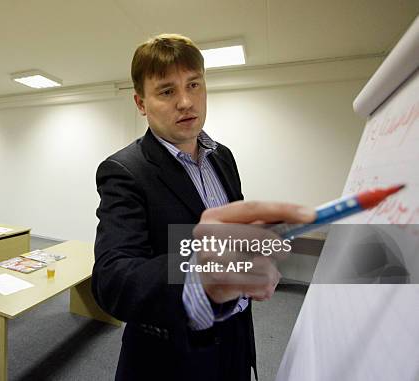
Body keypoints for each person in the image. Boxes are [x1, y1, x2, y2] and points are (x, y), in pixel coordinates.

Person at [92, 34, 315, 380]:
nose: (185, 101)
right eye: (167, 91)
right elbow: (113, 279)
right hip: (171, 359)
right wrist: (199, 272)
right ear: (140, 103)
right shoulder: (123, 171)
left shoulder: (223, 157)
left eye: (193, 84)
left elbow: (231, 237)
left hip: (235, 338)